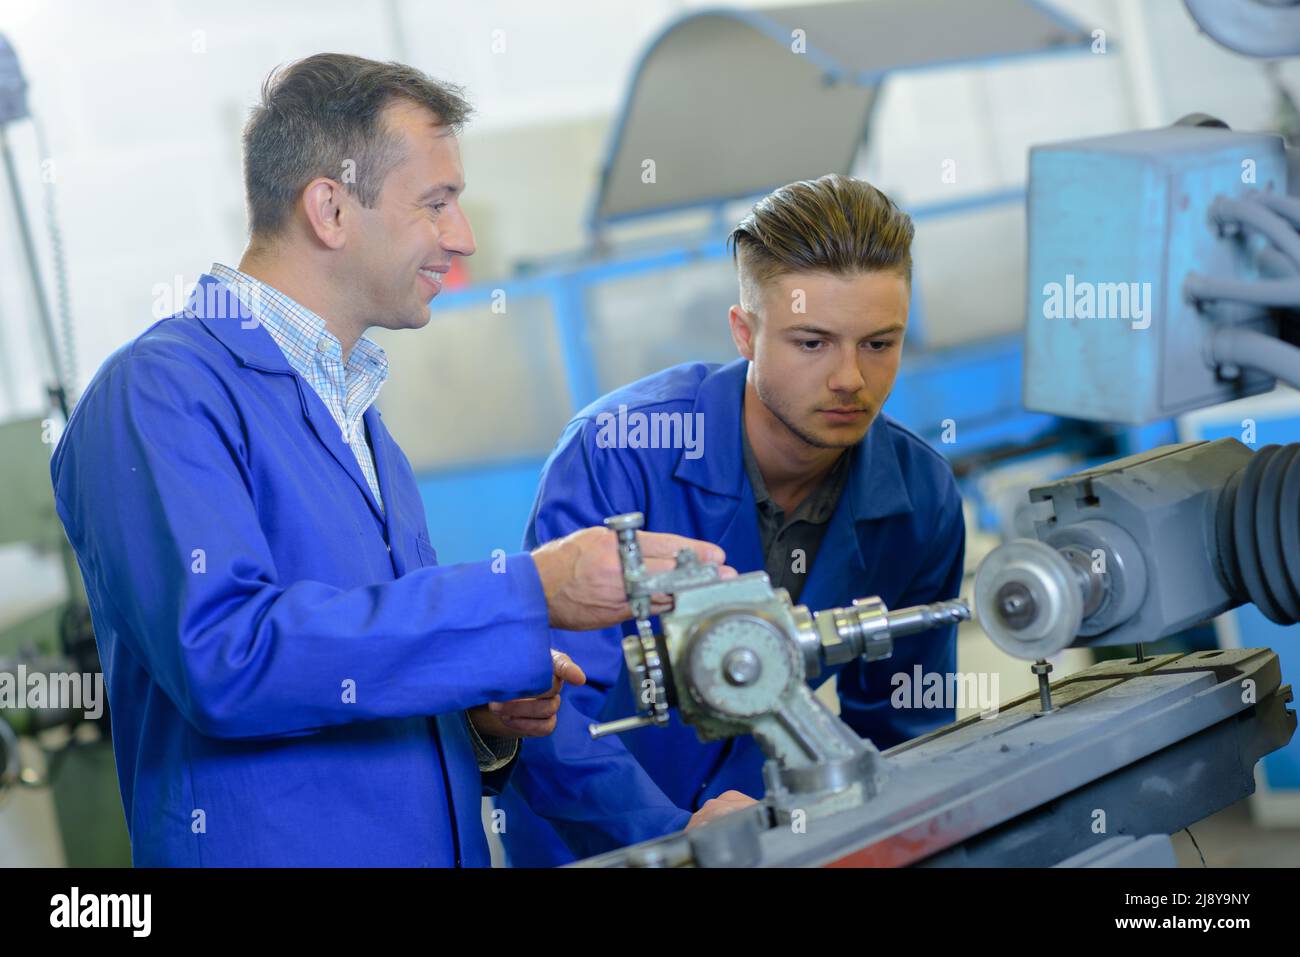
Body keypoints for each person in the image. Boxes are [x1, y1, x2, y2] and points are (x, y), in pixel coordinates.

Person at [49, 53, 729, 867]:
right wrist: (530, 589)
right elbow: (227, 659)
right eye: (435, 204)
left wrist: (480, 727)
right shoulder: (159, 393)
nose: (462, 237)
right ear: (330, 209)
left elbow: (361, 671)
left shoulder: (362, 420)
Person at [497, 174, 966, 866]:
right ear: (745, 332)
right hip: (597, 843)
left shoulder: (919, 497)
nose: (850, 379)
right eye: (812, 342)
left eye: (878, 343)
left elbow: (907, 724)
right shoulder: (619, 454)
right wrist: (672, 835)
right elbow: (548, 709)